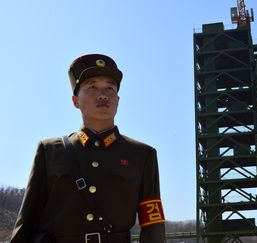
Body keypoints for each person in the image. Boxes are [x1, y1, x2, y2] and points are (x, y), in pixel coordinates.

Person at [10, 54, 166, 243]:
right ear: (75, 100)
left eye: (110, 87)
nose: (102, 94)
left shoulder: (142, 155)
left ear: (118, 99)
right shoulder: (49, 151)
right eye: (92, 86)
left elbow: (152, 225)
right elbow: (27, 222)